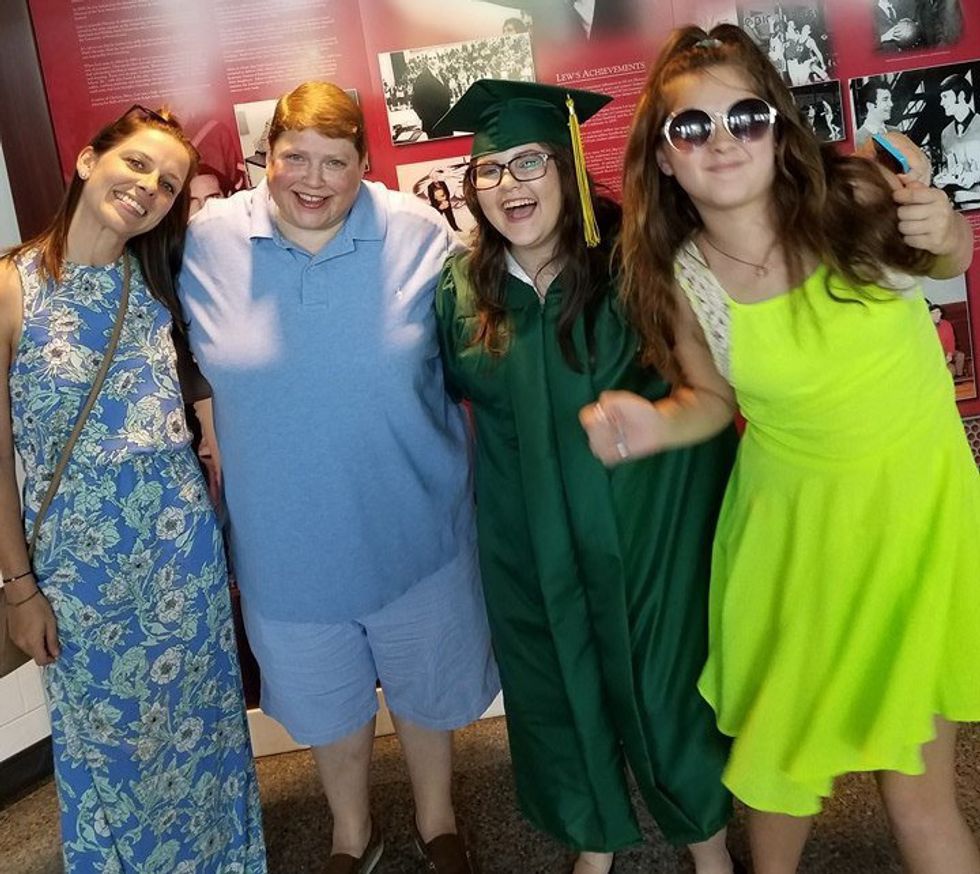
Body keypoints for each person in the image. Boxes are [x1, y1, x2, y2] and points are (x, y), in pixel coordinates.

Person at [580, 24, 980, 874]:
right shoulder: (686, 276)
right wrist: (655, 424)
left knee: (917, 787)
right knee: (778, 765)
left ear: (777, 126)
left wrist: (946, 226)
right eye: (692, 127)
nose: (722, 140)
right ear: (664, 158)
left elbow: (948, 254)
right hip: (795, 540)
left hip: (918, 522)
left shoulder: (855, 196)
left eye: (745, 116)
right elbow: (710, 399)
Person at [178, 81, 498, 874]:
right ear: (267, 156)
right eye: (295, 158)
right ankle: (351, 832)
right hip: (285, 543)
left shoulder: (417, 231)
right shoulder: (207, 241)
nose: (313, 180)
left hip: (415, 528)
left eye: (335, 162)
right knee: (327, 706)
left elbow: (485, 339)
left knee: (427, 691)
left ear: (364, 165)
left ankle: (437, 819)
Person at [433, 79, 741, 874]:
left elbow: (710, 397)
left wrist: (649, 427)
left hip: (641, 531)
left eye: (529, 162)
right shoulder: (462, 290)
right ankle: (593, 841)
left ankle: (708, 847)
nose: (510, 184)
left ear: (566, 165)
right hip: (528, 537)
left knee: (668, 687)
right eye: (490, 170)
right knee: (555, 688)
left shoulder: (636, 263)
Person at [0, 106, 266, 872]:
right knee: (108, 752)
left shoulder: (157, 283)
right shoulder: (13, 287)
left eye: (169, 183)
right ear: (89, 161)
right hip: (81, 576)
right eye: (138, 165)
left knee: (204, 731)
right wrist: (19, 589)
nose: (150, 187)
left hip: (182, 561)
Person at [934, 73, 980, 206]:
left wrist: (974, 177)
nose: (941, 103)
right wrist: (942, 177)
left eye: (945, 97)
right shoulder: (945, 134)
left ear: (960, 96)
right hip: (960, 206)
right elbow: (950, 168)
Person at [853, 78, 895, 146]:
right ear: (870, 106)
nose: (891, 104)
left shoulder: (896, 131)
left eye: (890, 99)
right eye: (885, 100)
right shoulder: (858, 140)